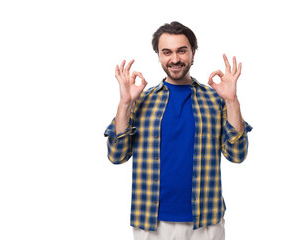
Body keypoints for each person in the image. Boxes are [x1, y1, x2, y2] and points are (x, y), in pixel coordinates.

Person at [104, 21, 252, 240]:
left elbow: (237, 155)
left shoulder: (215, 100)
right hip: (151, 224)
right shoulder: (141, 100)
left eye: (182, 51)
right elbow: (116, 156)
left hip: (206, 223)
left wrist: (231, 101)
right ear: (159, 55)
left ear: (193, 52)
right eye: (167, 52)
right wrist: (125, 103)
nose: (174, 59)